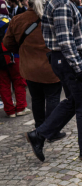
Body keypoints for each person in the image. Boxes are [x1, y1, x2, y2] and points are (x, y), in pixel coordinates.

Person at [25, 0, 82, 162]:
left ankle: (40, 134)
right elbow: (65, 40)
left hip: (63, 59)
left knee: (74, 101)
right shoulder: (62, 4)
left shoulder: (59, 3)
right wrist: (79, 67)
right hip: (68, 59)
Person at [3, 0, 67, 142]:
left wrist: (24, 51)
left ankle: (40, 128)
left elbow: (8, 43)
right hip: (51, 66)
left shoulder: (17, 19)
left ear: (28, 4)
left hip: (29, 67)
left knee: (37, 98)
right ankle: (51, 131)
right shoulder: (53, 17)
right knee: (52, 98)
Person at [0, 0, 30, 118]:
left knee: (3, 84)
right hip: (13, 56)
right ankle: (21, 107)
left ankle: (10, 110)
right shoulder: (10, 22)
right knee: (19, 81)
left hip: (0, 59)